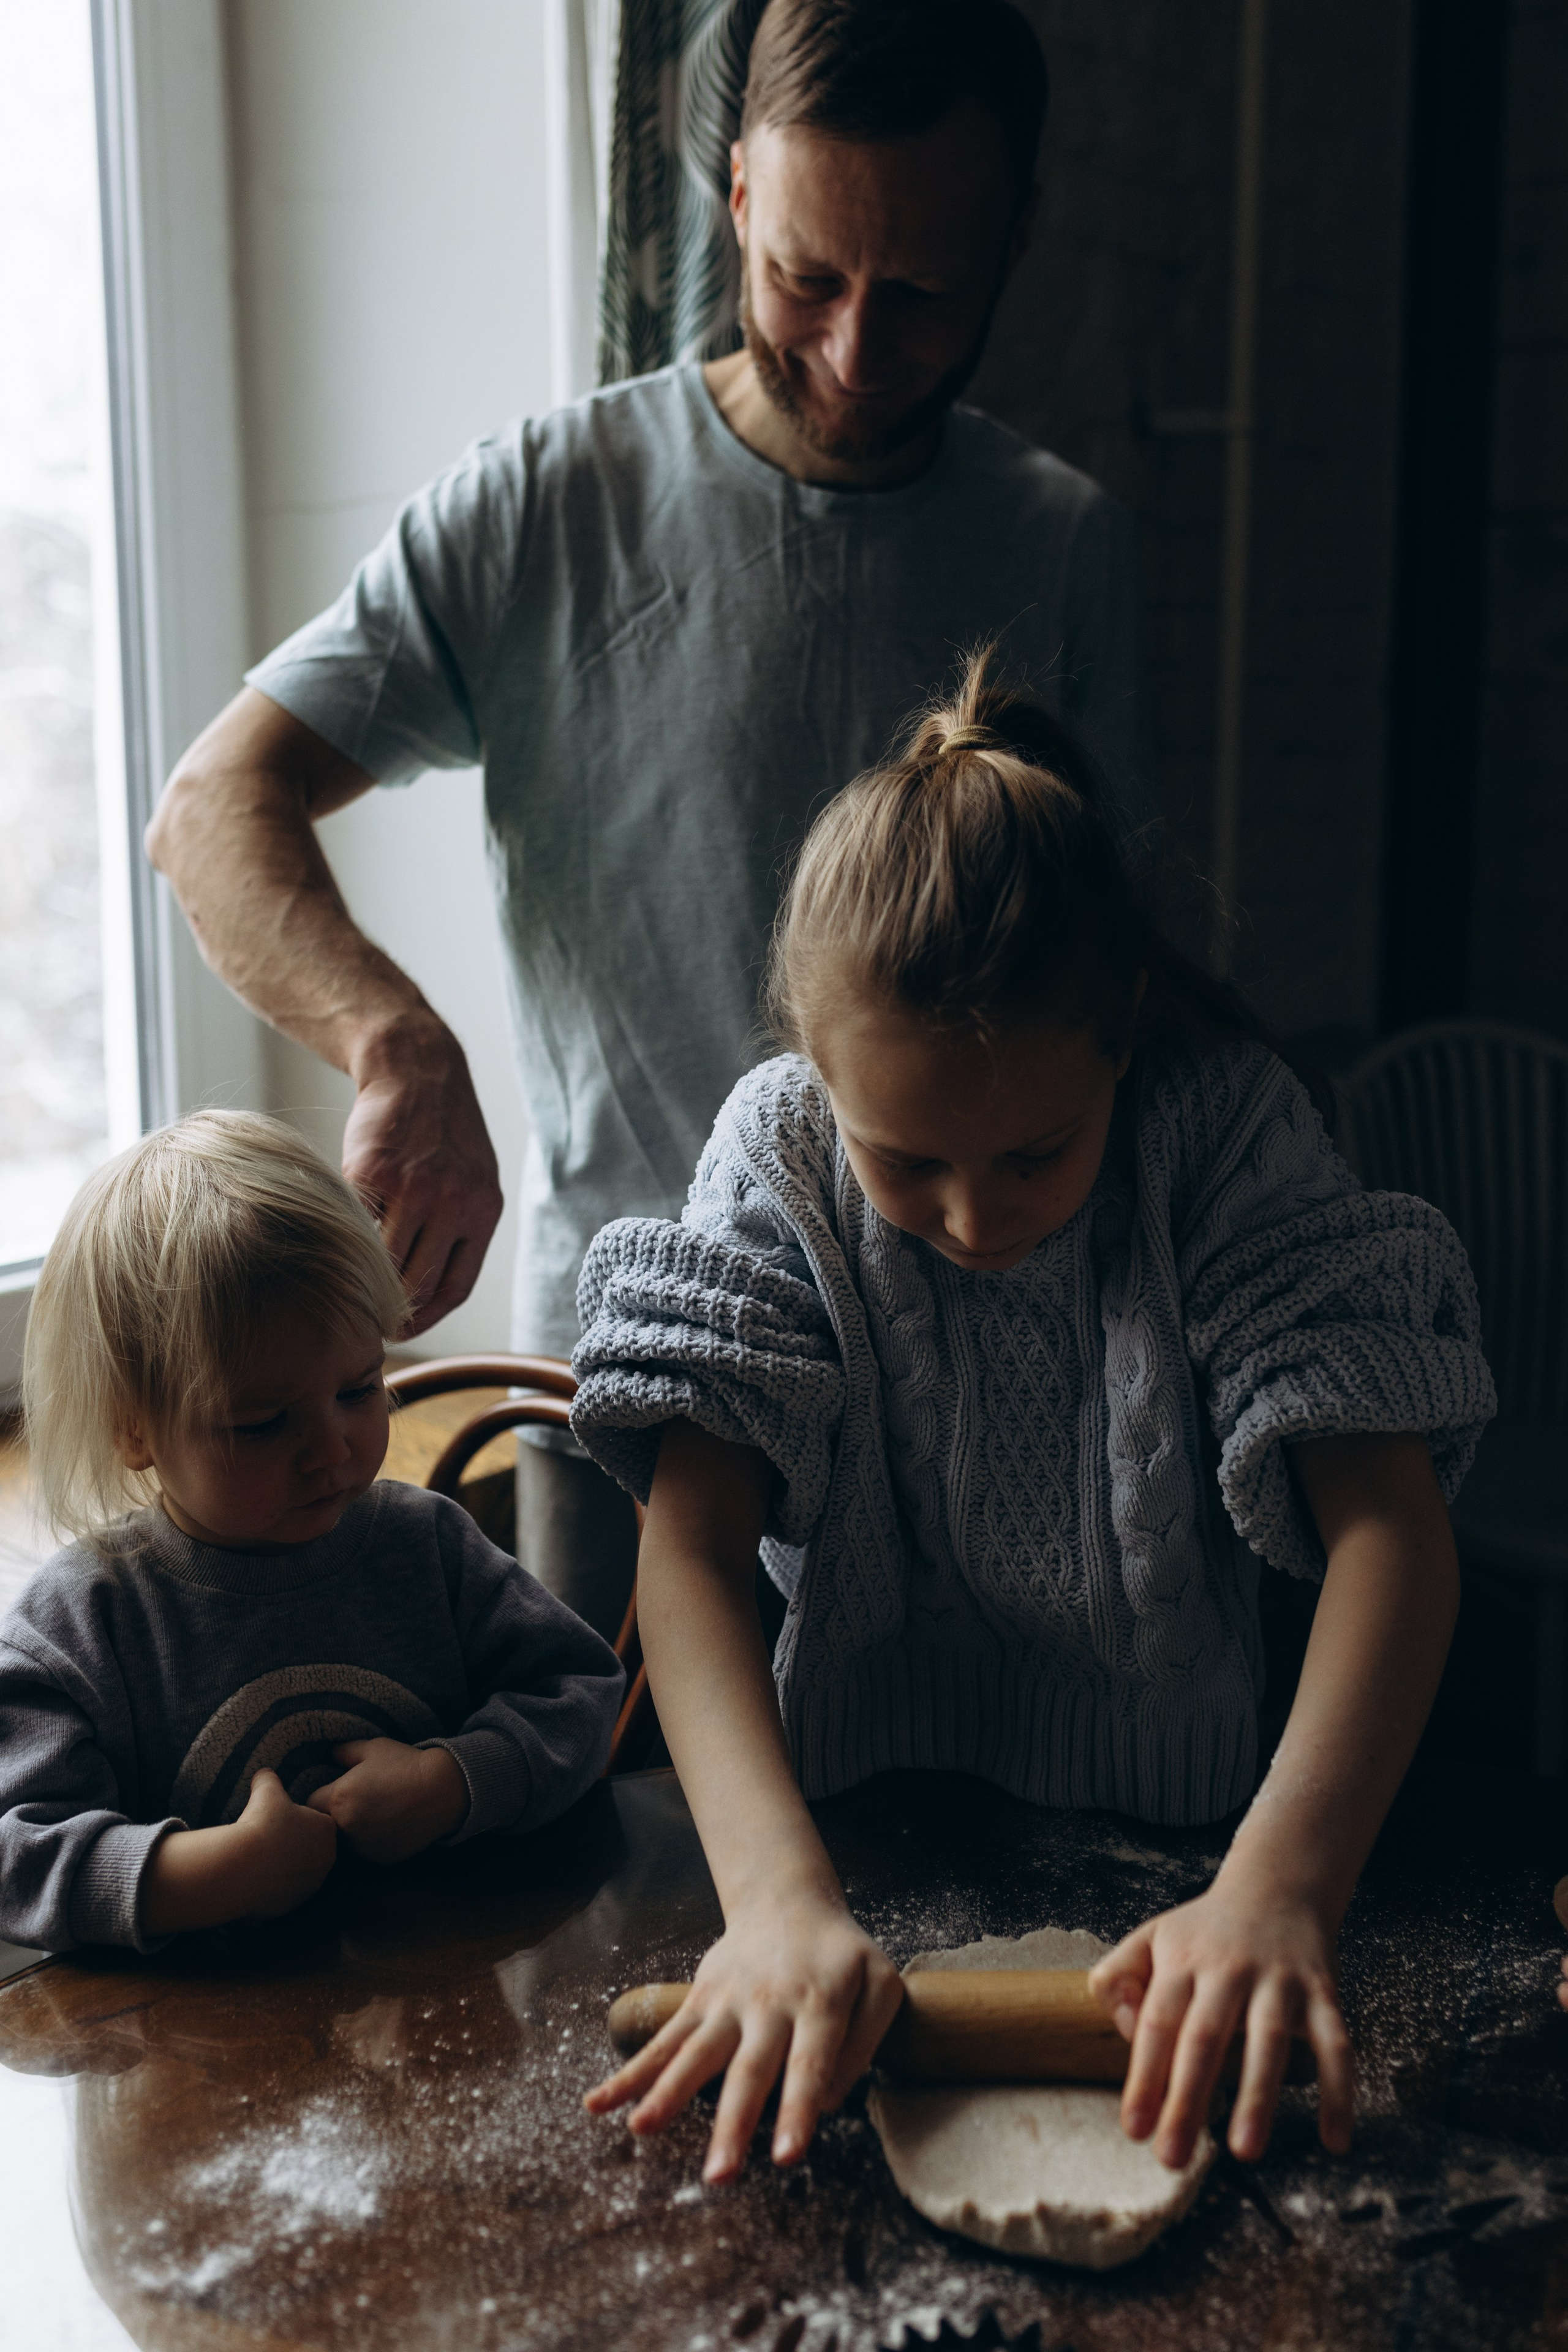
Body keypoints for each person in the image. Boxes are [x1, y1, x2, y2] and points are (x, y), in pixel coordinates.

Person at [143, 0, 1142, 1645]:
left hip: (979, 1391)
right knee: (612, 1870)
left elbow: (1123, 994)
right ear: (738, 194)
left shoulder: (1068, 548)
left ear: (1014, 239)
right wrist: (396, 1043)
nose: (849, 349)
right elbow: (212, 810)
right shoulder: (541, 506)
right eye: (809, 278)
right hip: (614, 1381)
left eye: (921, 299)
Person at [568, 650, 1495, 2182]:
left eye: (1033, 1154)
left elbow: (1388, 1529)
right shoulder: (780, 1151)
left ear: (1120, 1033)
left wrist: (1280, 1887)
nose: (972, 1217)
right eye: (906, 1163)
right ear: (814, 1064)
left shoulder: (1220, 1132)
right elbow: (689, 1550)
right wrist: (777, 1903)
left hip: (1195, 1850)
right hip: (848, 1833)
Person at [0, 1113, 624, 1954]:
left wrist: (455, 1781)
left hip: (453, 2017)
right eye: (263, 1423)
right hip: (195, 2066)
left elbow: (582, 1695)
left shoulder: (427, 1548)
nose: (332, 1449)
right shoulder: (84, 1626)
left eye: (361, 1389)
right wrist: (211, 1874)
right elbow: (16, 1854)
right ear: (135, 1431)